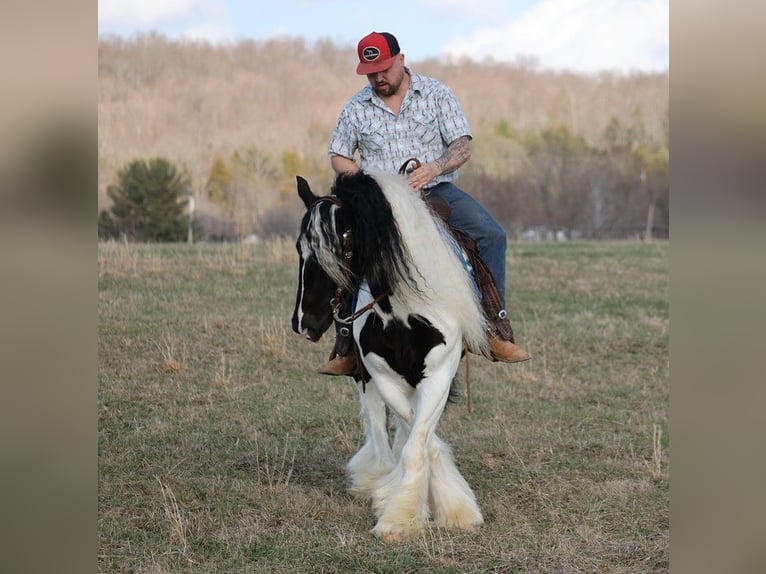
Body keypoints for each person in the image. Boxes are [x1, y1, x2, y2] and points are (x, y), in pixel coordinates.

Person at [321, 31, 530, 376]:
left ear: (401, 60)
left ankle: (493, 328)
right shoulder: (356, 107)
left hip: (436, 190)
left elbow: (462, 146)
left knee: (492, 235)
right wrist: (364, 182)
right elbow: (338, 156)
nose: (378, 78)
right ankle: (346, 343)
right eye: (370, 72)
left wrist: (434, 167)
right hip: (383, 201)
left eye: (384, 69)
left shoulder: (436, 94)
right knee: (347, 248)